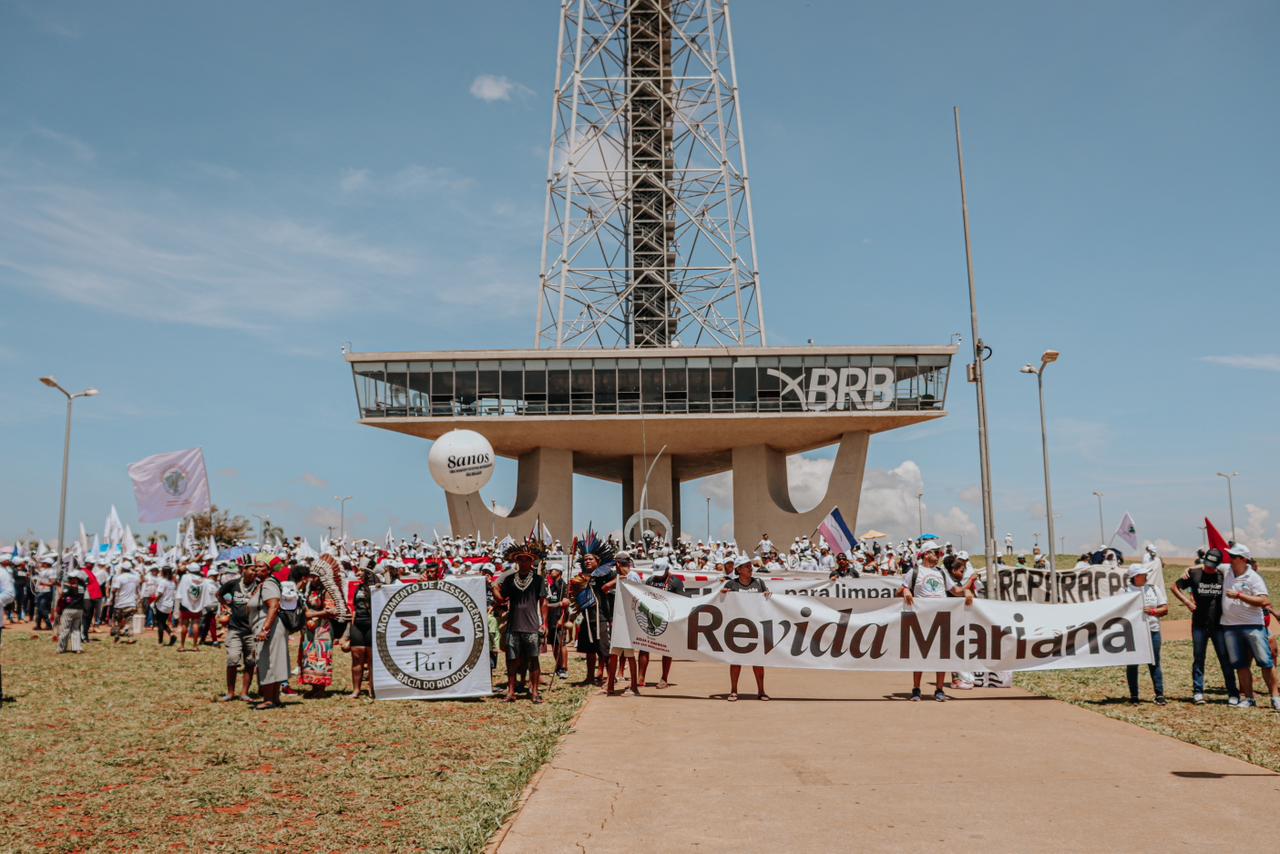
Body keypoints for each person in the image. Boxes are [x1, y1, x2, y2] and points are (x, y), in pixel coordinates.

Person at [900, 542, 972, 701]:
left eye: (939, 552)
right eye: (936, 552)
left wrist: (967, 591)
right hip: (922, 618)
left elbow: (955, 591)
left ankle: (939, 689)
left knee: (942, 655)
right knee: (920, 655)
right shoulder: (914, 571)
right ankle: (916, 688)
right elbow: (902, 588)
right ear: (926, 554)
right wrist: (906, 591)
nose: (940, 555)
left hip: (942, 617)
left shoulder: (942, 573)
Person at [1171, 548, 1239, 705]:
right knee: (1199, 657)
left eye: (1212, 565)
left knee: (1225, 659)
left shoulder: (1223, 576)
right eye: (1207, 563)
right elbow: (1174, 587)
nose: (1209, 567)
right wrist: (1187, 602)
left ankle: (1233, 693)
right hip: (1199, 625)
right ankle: (1198, 692)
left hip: (1219, 625)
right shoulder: (1194, 574)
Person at [1219, 544, 1279, 710]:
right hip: (1230, 627)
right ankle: (1249, 698)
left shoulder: (1254, 578)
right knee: (1240, 664)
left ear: (1243, 559)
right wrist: (1187, 571)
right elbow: (1208, 564)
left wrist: (1239, 595)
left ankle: (1275, 697)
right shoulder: (1227, 570)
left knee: (1266, 662)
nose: (1229, 559)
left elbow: (1264, 601)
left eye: (1233, 557)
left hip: (1253, 626)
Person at [493, 542, 549, 704]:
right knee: (511, 660)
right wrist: (493, 588)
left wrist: (544, 623)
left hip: (532, 625)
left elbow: (543, 602)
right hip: (513, 625)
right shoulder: (510, 580)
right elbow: (502, 599)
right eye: (521, 560)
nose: (523, 562)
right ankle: (511, 692)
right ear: (516, 562)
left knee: (533, 659)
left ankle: (535, 692)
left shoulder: (538, 580)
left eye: (526, 560)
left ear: (532, 562)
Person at [721, 555, 770, 701]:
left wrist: (768, 595)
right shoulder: (731, 585)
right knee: (736, 660)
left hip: (755, 627)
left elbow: (766, 600)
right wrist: (723, 595)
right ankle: (734, 690)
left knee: (758, 661)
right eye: (747, 566)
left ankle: (761, 691)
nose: (750, 568)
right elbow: (720, 601)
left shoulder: (759, 583)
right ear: (739, 570)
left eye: (750, 565)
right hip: (737, 628)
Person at [248, 556, 288, 710]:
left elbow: (274, 606)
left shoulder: (269, 584)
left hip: (269, 629)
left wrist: (265, 629)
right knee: (272, 661)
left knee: (268, 662)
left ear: (269, 569)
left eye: (260, 566)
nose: (256, 569)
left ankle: (269, 699)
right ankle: (274, 698)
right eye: (255, 567)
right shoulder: (263, 584)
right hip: (269, 628)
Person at [1125, 563, 1167, 705]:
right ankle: (1134, 696)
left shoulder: (1154, 589)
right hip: (1134, 633)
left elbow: (1165, 609)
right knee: (1132, 664)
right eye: (1143, 574)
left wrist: (1153, 612)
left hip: (1153, 630)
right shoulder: (1125, 591)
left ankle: (1159, 694)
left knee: (1154, 662)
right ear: (1135, 577)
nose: (1147, 576)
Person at [218, 560, 260, 702]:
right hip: (235, 629)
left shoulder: (259, 586)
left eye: (256, 570)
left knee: (250, 661)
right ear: (244, 570)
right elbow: (219, 594)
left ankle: (244, 693)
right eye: (252, 569)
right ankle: (230, 692)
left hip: (252, 630)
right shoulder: (234, 584)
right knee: (232, 659)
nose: (254, 572)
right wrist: (226, 607)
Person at [638, 558, 684, 689]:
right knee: (644, 646)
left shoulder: (676, 583)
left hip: (668, 620)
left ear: (668, 569)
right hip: (650, 617)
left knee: (667, 649)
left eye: (661, 573)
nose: (658, 576)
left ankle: (664, 678)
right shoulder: (650, 580)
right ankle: (641, 677)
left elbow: (682, 601)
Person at [299, 563, 339, 697]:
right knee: (310, 657)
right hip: (310, 629)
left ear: (321, 578)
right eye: (311, 576)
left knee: (321, 657)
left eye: (314, 576)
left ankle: (321, 689)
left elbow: (331, 611)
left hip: (323, 628)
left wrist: (312, 615)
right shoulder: (310, 590)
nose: (312, 579)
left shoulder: (326, 592)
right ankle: (314, 686)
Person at [605, 551, 641, 695]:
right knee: (614, 654)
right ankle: (610, 686)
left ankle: (633, 687)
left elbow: (608, 586)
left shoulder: (630, 576)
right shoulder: (624, 577)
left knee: (630, 655)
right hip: (622, 621)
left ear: (618, 564)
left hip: (628, 621)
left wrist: (613, 583)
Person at [345, 563, 377, 699]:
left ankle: (372, 689)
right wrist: (347, 632)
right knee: (356, 658)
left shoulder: (375, 588)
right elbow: (352, 609)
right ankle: (356, 690)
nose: (357, 573)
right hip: (357, 623)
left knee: (371, 660)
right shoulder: (356, 588)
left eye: (360, 572)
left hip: (372, 624)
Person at [545, 563, 570, 679]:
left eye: (553, 570)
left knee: (561, 644)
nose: (550, 572)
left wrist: (562, 619)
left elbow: (565, 605)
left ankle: (564, 668)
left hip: (560, 618)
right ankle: (558, 667)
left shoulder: (564, 586)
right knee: (554, 645)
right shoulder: (552, 586)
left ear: (559, 572)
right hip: (551, 619)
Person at [174, 562, 206, 651]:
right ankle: (195, 646)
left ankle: (182, 646)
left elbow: (180, 591)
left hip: (186, 604)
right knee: (196, 624)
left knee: (184, 624)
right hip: (198, 605)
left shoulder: (185, 577)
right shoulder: (202, 579)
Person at [109, 560, 141, 643]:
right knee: (129, 621)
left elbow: (114, 590)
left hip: (120, 603)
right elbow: (138, 590)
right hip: (131, 603)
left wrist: (112, 599)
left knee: (117, 621)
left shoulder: (119, 578)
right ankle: (130, 638)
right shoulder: (136, 578)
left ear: (122, 568)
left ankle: (117, 637)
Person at [54, 570, 87, 654]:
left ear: (76, 579)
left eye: (71, 578)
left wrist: (58, 586)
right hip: (79, 610)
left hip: (69, 609)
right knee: (76, 629)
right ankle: (76, 648)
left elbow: (61, 594)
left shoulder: (69, 587)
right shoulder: (83, 586)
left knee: (65, 629)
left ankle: (61, 648)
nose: (69, 579)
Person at [153, 566, 177, 646]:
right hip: (169, 605)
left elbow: (160, 593)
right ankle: (171, 635)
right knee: (163, 622)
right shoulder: (172, 583)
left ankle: (160, 641)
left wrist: (155, 602)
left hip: (162, 604)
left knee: (159, 623)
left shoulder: (163, 582)